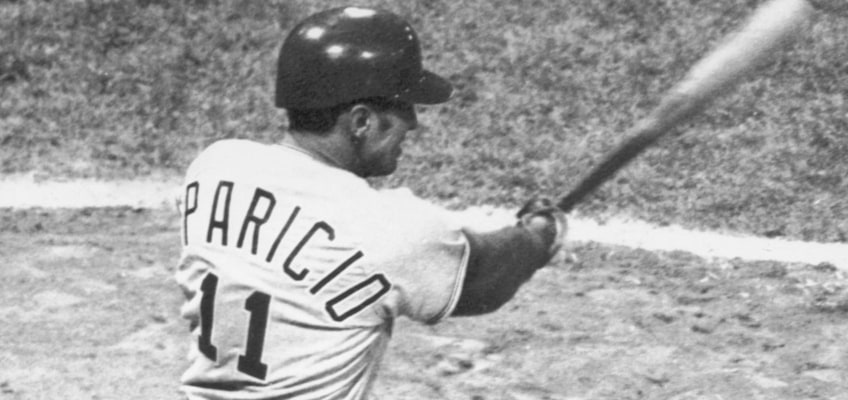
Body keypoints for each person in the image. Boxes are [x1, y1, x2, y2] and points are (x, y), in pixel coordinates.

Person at [175, 6, 567, 400]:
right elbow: (485, 279)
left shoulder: (214, 169)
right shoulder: (387, 228)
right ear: (361, 121)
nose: (412, 122)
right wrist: (539, 233)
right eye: (402, 107)